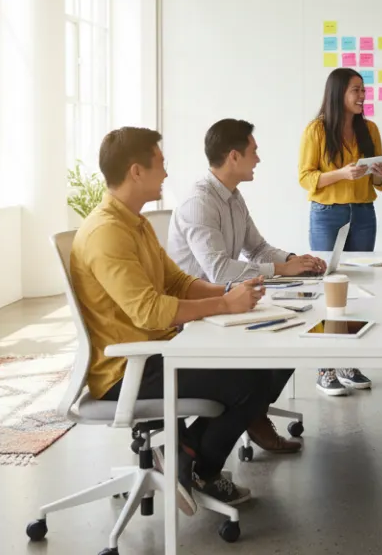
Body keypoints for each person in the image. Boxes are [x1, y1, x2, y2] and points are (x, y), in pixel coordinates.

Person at [72, 126, 294, 516]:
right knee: (249, 380)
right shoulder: (107, 233)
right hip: (129, 369)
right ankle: (195, 465)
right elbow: (151, 310)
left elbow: (176, 282)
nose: (167, 173)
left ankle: (180, 454)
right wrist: (225, 305)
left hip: (158, 350)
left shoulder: (133, 223)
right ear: (136, 171)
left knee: (256, 366)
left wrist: (231, 296)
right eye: (161, 163)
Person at [168, 118, 326, 454]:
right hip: (200, 310)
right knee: (281, 340)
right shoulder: (200, 203)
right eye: (253, 151)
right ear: (233, 157)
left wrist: (296, 260)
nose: (259, 158)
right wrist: (281, 269)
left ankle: (252, 414)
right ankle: (250, 416)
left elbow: (257, 248)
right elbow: (219, 269)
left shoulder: (233, 197)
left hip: (228, 301)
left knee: (297, 328)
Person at [299, 68, 382, 397]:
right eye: (355, 90)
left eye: (363, 90)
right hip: (327, 214)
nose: (362, 96)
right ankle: (325, 367)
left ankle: (349, 362)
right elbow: (306, 178)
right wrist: (341, 174)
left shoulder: (371, 129)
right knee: (330, 287)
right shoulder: (317, 131)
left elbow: (379, 184)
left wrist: (377, 173)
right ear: (338, 94)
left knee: (359, 289)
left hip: (363, 213)